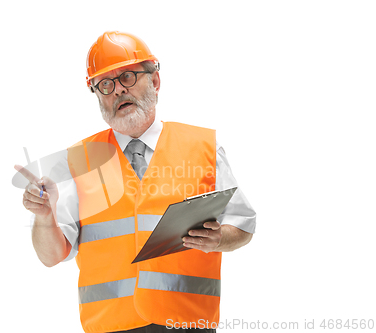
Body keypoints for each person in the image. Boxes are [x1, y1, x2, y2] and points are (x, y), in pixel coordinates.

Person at [15, 31, 256, 333]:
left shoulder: (203, 146)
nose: (117, 91)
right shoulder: (79, 161)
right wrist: (44, 215)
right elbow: (50, 256)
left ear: (154, 81)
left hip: (187, 322)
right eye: (105, 84)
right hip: (109, 325)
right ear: (97, 94)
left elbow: (244, 224)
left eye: (127, 77)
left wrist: (220, 238)